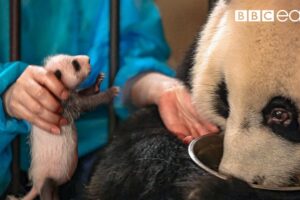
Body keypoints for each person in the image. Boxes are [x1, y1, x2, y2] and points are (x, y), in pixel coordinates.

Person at [0, 0, 219, 196]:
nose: (86, 60)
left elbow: (128, 58)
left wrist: (158, 87)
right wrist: (6, 93)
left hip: (100, 143)